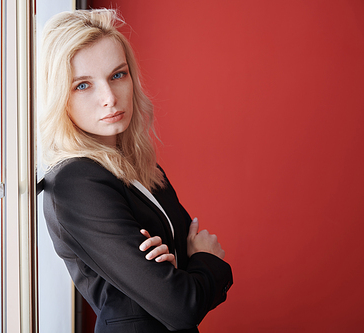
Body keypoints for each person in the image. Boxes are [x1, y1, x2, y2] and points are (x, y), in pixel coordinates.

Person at [40, 9, 233, 333]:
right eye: (83, 85)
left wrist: (176, 270)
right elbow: (179, 304)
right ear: (59, 95)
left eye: (118, 75)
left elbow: (175, 277)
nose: (110, 98)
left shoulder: (136, 164)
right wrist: (208, 263)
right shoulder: (75, 182)